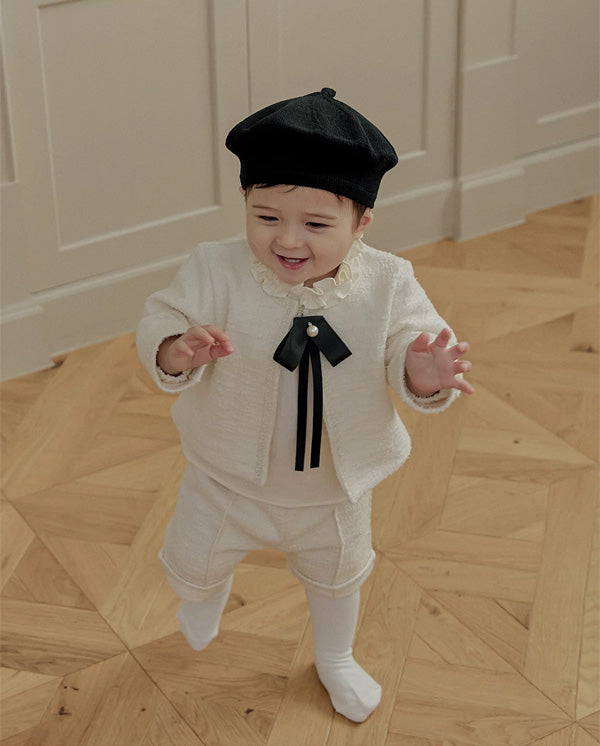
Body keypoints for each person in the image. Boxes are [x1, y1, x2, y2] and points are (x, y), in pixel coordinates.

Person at [137, 87, 473, 723]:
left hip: (333, 490)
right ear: (245, 203)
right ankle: (203, 599)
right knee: (196, 557)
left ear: (362, 223)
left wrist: (421, 371)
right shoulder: (215, 268)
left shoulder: (389, 281)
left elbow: (411, 335)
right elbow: (163, 314)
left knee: (340, 576)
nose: (287, 240)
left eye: (316, 225)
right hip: (227, 478)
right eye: (265, 217)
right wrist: (174, 348)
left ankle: (336, 656)